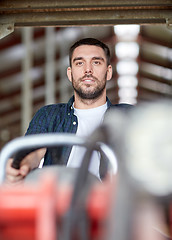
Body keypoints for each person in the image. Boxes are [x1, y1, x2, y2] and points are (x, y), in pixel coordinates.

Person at [5, 38, 132, 184]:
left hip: (110, 202)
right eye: (79, 63)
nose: (88, 70)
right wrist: (23, 165)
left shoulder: (127, 115)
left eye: (96, 62)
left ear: (108, 72)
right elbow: (34, 151)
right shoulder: (49, 115)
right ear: (70, 73)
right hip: (60, 198)